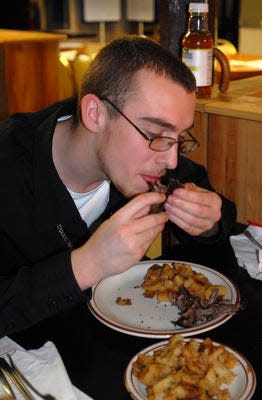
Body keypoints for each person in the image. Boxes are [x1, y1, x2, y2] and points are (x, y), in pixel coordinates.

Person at [0, 35, 236, 338]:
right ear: (95, 114)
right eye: (155, 133)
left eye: (177, 138)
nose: (172, 160)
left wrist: (208, 224)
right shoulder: (10, 167)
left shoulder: (147, 164)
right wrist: (86, 264)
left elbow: (220, 212)